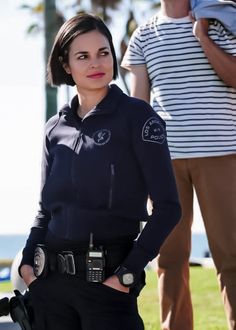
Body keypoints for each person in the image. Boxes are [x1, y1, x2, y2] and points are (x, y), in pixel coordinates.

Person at [19, 13, 181, 330]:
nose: (96, 63)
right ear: (66, 65)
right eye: (83, 56)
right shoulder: (54, 128)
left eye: (103, 52)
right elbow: (45, 211)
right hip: (50, 289)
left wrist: (127, 274)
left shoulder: (138, 117)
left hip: (108, 287)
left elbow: (168, 208)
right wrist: (27, 266)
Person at [121, 1, 236, 329]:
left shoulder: (219, 22)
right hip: (164, 162)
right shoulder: (143, 36)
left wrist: (202, 36)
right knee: (169, 260)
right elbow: (139, 107)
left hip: (222, 154)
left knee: (231, 257)